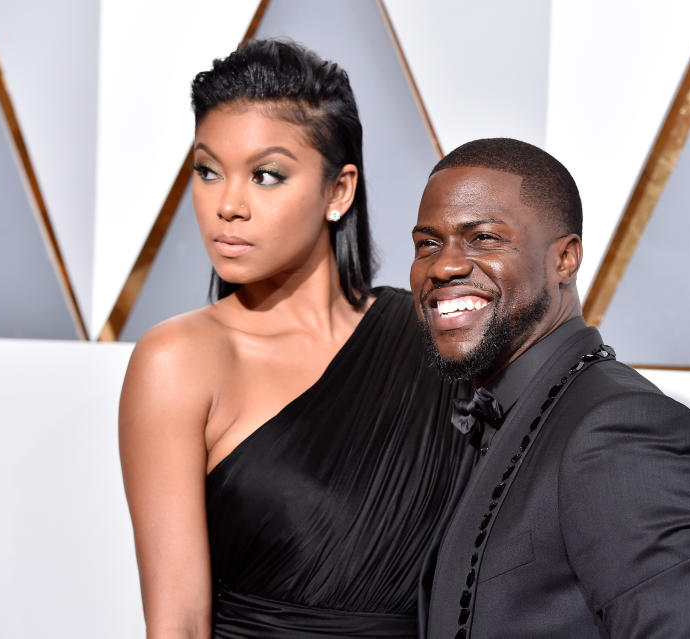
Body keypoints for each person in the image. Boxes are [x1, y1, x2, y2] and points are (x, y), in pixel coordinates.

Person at [119, 39, 470, 638]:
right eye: (207, 171)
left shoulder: (432, 338)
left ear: (339, 191)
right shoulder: (177, 362)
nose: (226, 205)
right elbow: (177, 622)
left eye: (265, 175)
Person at [410, 138, 690, 638]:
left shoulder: (621, 432)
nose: (443, 266)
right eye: (427, 244)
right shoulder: (499, 415)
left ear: (565, 260)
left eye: (482, 238)